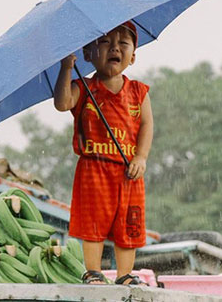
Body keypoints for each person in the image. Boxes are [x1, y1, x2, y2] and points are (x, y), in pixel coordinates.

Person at [53, 21, 154, 285]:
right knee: (93, 222)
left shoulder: (139, 92)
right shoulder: (84, 88)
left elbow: (146, 125)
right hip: (93, 169)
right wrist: (65, 68)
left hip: (128, 171)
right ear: (87, 54)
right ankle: (93, 271)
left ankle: (125, 275)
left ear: (132, 56)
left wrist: (141, 157)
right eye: (105, 42)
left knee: (128, 224)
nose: (114, 48)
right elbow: (63, 103)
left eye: (123, 43)